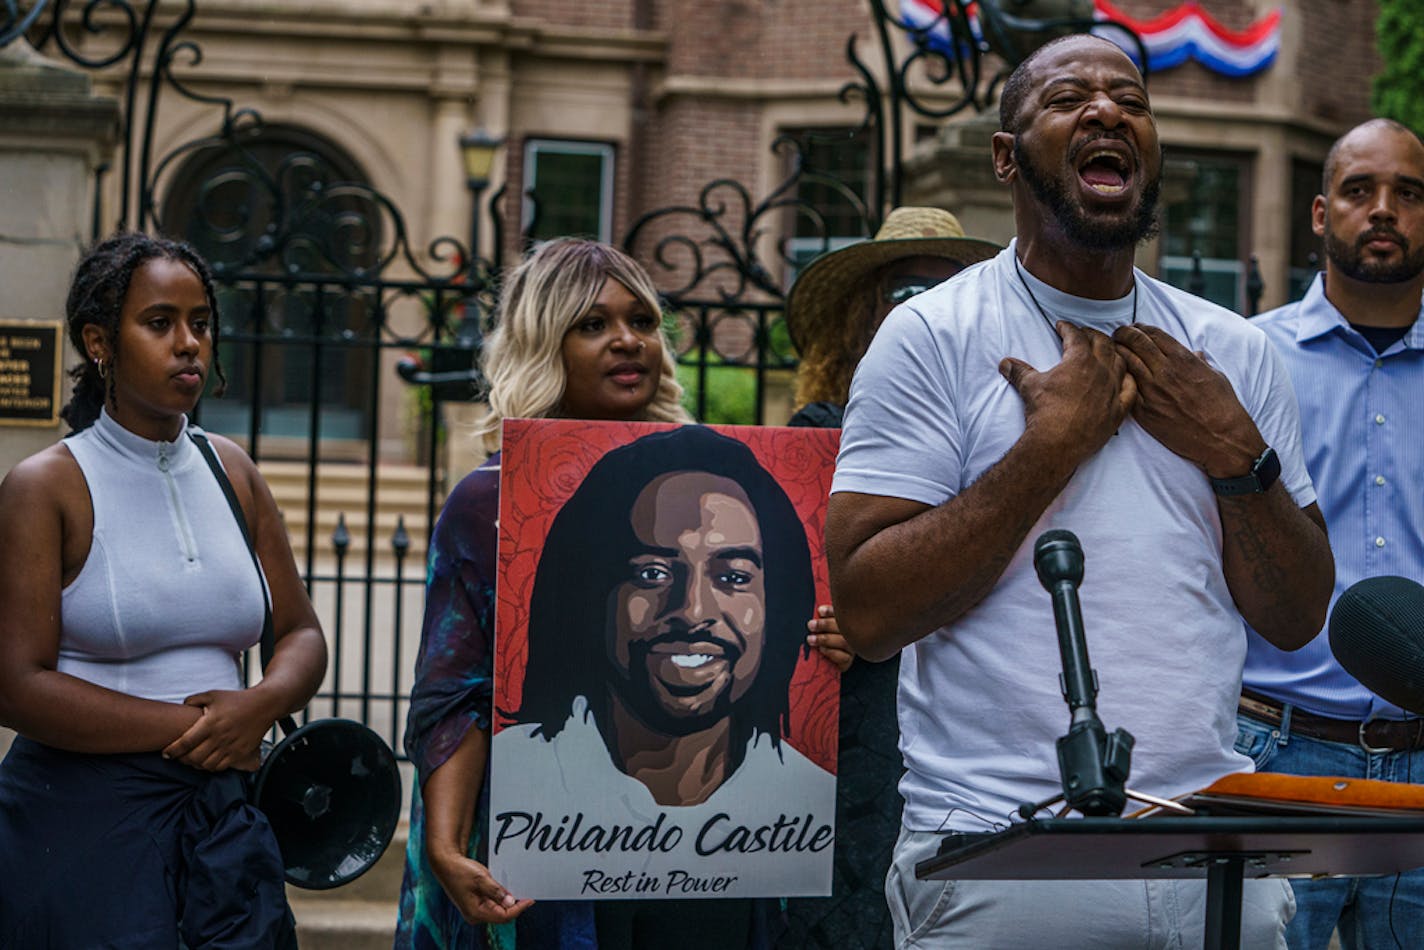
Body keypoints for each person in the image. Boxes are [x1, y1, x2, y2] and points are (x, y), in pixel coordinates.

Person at [825, 34, 1334, 948]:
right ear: (1004, 156)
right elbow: (868, 612)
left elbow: (1297, 616)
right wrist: (1050, 448)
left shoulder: (1233, 353)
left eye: (1130, 100)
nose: (1107, 112)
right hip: (1000, 856)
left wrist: (1235, 452)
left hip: (1210, 855)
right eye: (1068, 99)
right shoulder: (932, 338)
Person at [396, 237, 851, 949]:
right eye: (591, 325)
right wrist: (448, 845)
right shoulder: (489, 500)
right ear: (542, 343)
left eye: (641, 321)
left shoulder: (718, 479)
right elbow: (454, 695)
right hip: (552, 855)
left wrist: (830, 643)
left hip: (724, 866)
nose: (627, 341)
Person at [0, 232, 328, 947]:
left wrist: (263, 703)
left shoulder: (231, 469)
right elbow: (16, 685)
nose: (188, 343)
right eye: (160, 323)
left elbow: (300, 633)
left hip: (222, 814)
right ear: (99, 342)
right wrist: (199, 729)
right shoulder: (48, 485)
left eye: (201, 323)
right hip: (83, 821)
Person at [780, 205, 999, 949]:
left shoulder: (1021, 445)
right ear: (864, 320)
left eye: (953, 293)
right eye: (907, 294)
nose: (931, 314)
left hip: (986, 758)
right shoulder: (814, 445)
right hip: (854, 754)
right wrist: (818, 619)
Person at [1237, 117, 1424, 950]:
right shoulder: (1245, 361)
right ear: (1319, 214)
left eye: (1409, 193)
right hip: (1278, 753)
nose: (1383, 210)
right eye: (1359, 191)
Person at [785, 205, 999, 428]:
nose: (926, 305)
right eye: (907, 289)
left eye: (944, 289)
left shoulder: (991, 421)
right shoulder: (820, 425)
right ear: (867, 311)